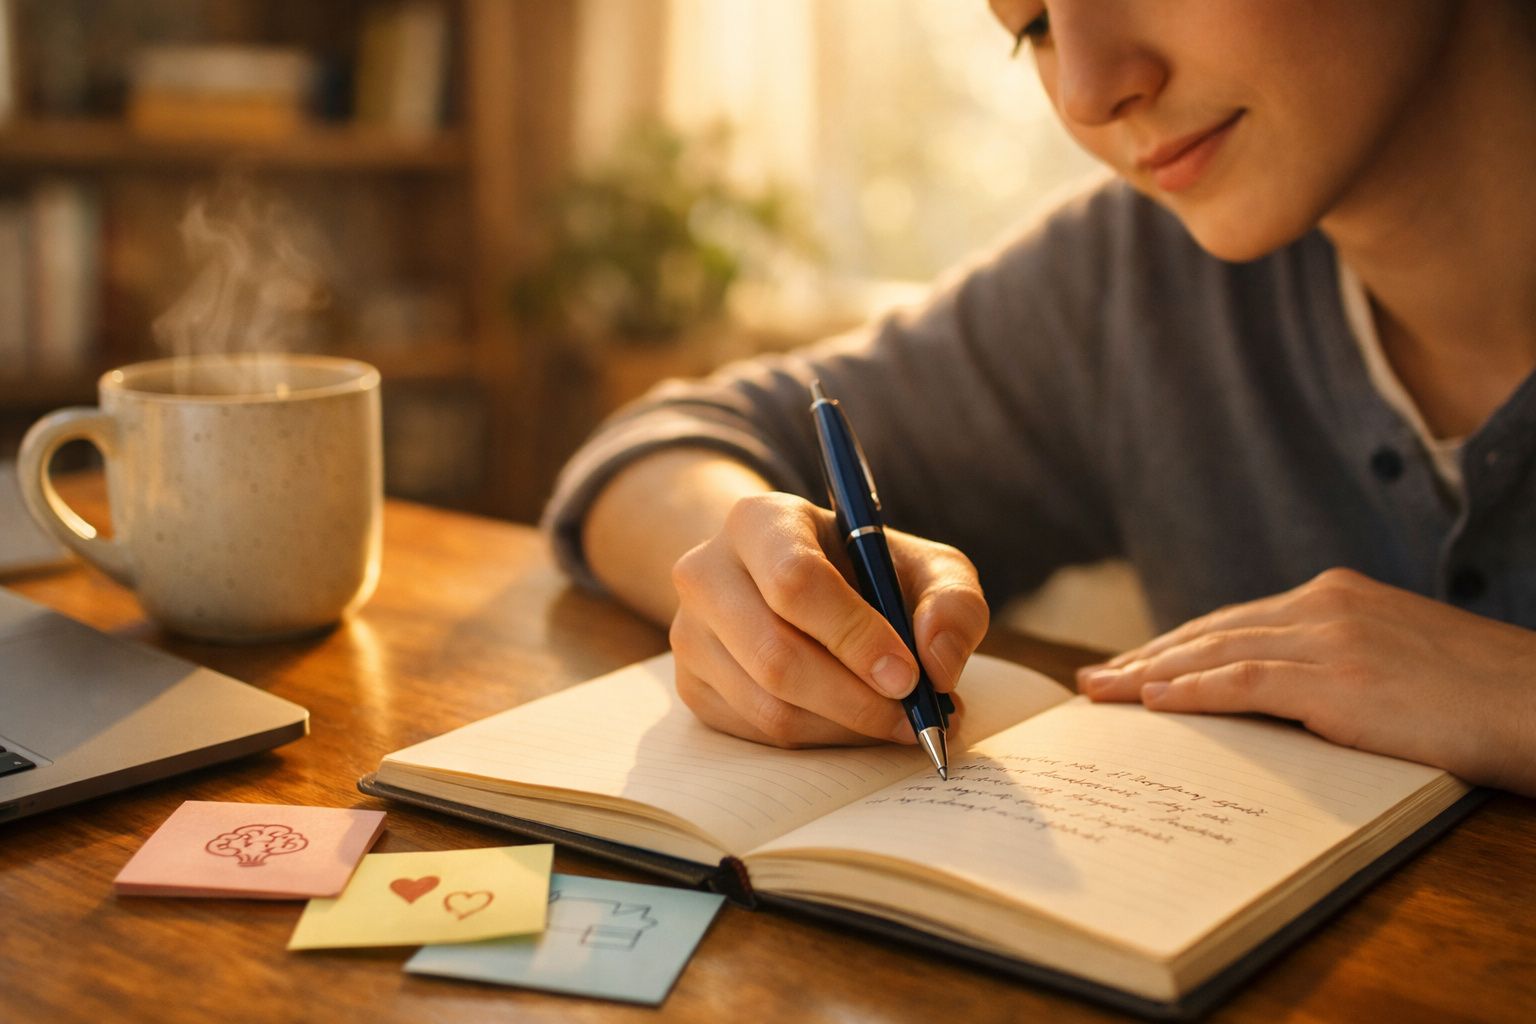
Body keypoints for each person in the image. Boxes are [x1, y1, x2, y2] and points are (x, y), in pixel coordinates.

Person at [542, 0, 1536, 796]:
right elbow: (660, 444)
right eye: (1034, 29)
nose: (1093, 89)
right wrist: (763, 578)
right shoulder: (1135, 280)